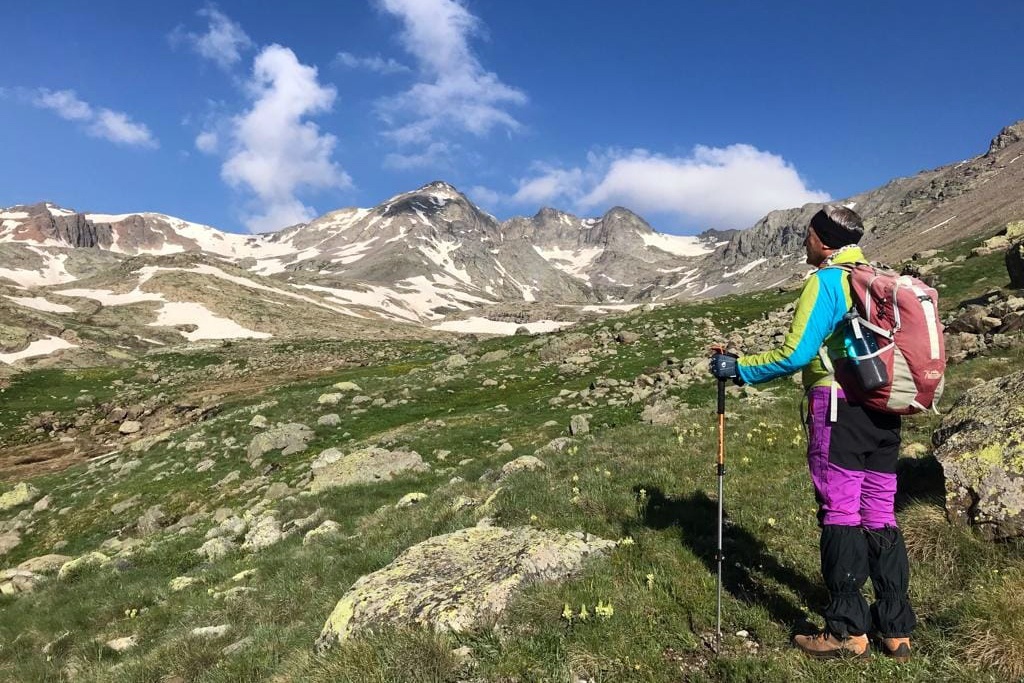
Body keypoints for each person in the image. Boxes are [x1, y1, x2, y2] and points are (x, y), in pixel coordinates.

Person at [709, 205, 915, 660]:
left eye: (806, 236)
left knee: (840, 512)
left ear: (822, 240)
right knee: (880, 512)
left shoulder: (826, 282)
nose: (803, 243)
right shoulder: (874, 278)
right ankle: (895, 628)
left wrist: (736, 368)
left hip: (839, 406)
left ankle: (845, 631)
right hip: (884, 408)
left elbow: (795, 354)